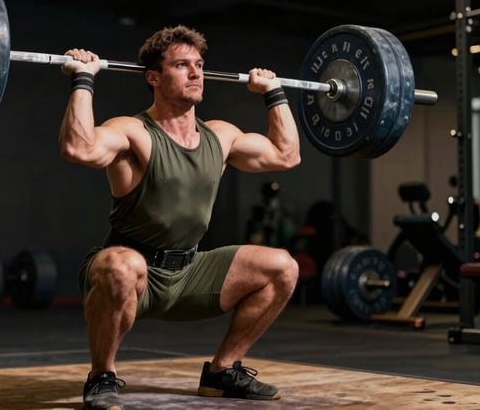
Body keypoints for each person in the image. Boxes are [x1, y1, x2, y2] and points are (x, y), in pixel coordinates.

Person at [58, 25, 301, 410]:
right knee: (121, 265)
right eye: (182, 65)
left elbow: (286, 155)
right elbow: (79, 148)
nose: (195, 73)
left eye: (200, 65)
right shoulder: (134, 131)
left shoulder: (220, 137)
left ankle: (222, 372)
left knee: (282, 267)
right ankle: (101, 376)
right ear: (153, 77)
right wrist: (83, 79)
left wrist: (274, 93)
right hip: (134, 274)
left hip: (190, 273)